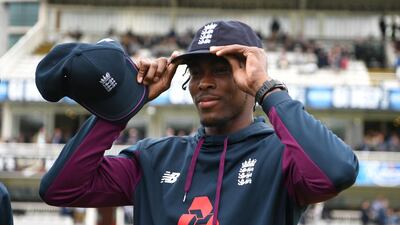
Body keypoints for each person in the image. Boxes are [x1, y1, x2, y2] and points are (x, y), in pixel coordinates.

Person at [38, 20, 359, 225]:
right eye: (195, 73)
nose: (203, 82)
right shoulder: (153, 159)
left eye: (220, 70)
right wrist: (124, 105)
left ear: (249, 75)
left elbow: (336, 172)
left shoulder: (281, 157)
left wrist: (268, 88)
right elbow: (61, 188)